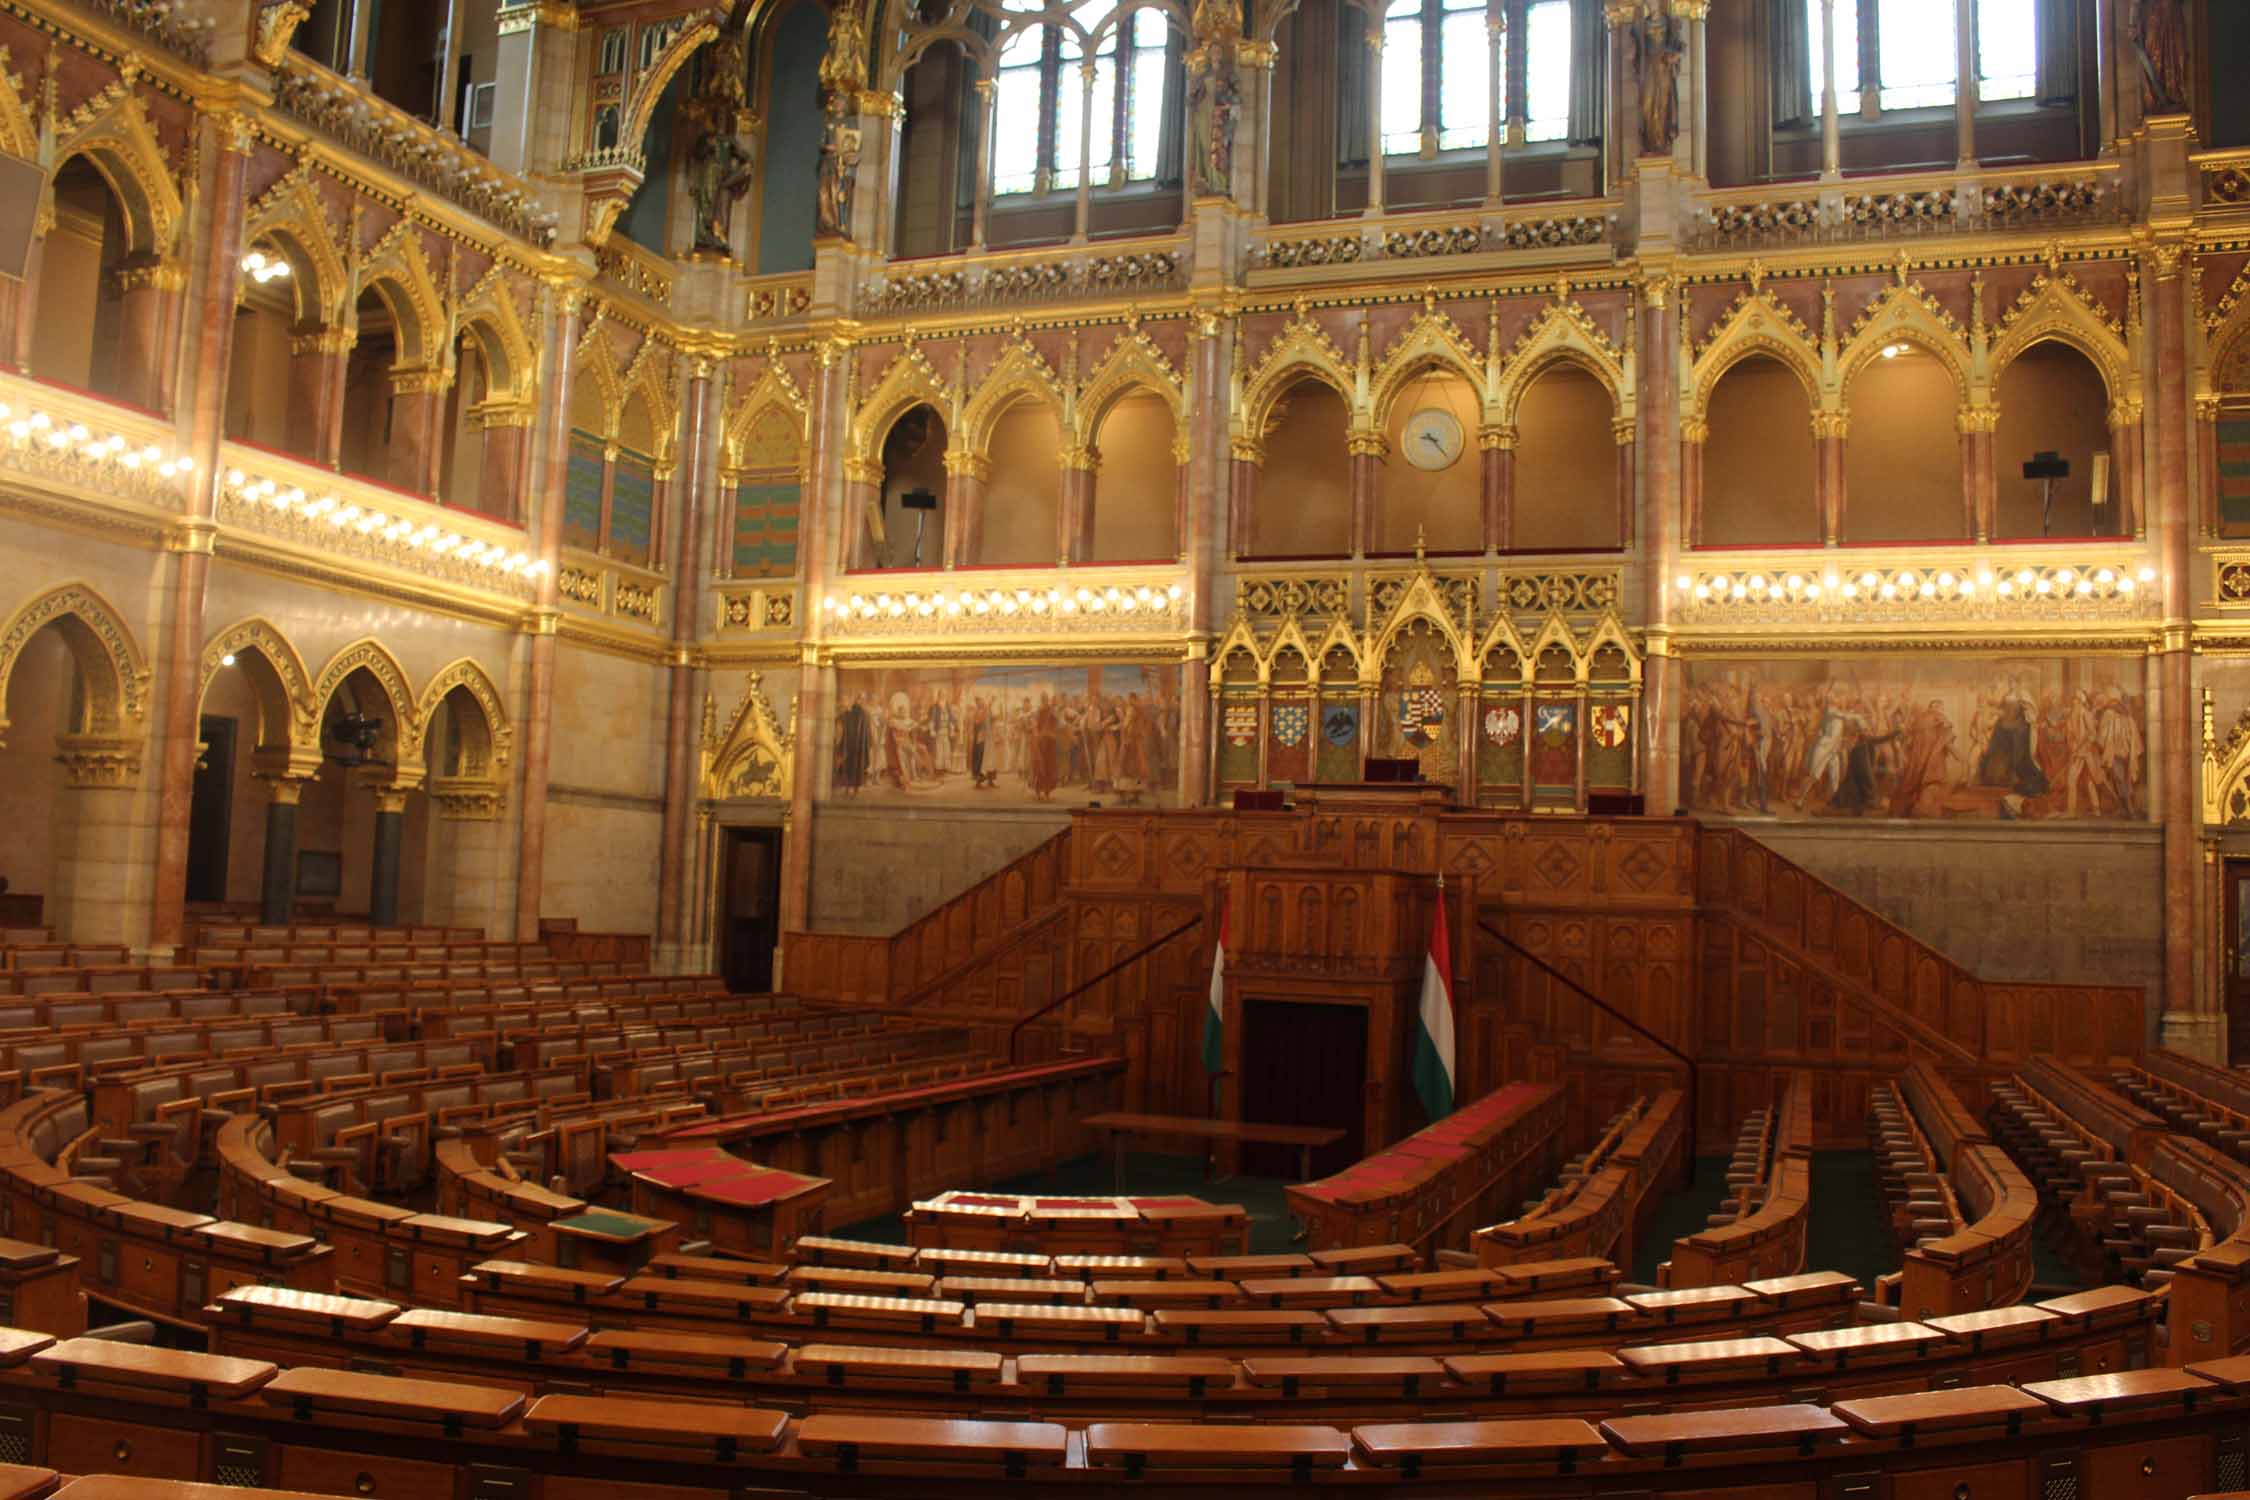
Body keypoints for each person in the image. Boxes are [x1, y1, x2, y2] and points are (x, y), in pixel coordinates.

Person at [834, 694, 872, 796]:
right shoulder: (862, 714)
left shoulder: (858, 714)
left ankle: (853, 786)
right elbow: (842, 718)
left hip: (854, 745)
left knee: (854, 765)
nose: (862, 701)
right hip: (856, 746)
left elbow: (867, 730)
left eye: (863, 699)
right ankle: (854, 787)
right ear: (858, 700)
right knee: (855, 765)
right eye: (861, 699)